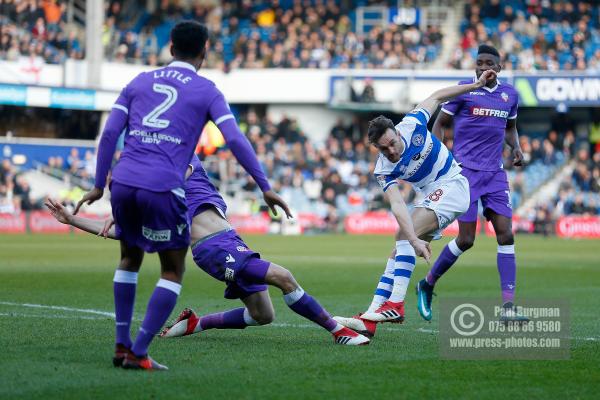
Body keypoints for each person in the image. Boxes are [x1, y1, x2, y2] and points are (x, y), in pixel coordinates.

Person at [73, 21, 289, 370]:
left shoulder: (138, 82)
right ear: (205, 51)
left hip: (124, 180)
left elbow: (111, 132)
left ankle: (120, 344)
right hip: (163, 183)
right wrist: (265, 186)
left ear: (170, 48)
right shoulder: (207, 90)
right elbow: (234, 139)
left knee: (128, 259)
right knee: (172, 269)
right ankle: (138, 352)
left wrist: (99, 184)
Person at [45, 157, 370, 348]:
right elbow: (119, 232)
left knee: (263, 315)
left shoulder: (177, 158)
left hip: (229, 241)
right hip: (214, 248)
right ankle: (336, 330)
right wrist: (71, 218)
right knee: (283, 277)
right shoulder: (159, 205)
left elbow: (174, 173)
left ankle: (198, 323)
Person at [333, 69, 497, 338]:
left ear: (397, 132)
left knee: (403, 233)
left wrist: (476, 85)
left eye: (391, 144)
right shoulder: (383, 168)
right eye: (383, 149)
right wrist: (414, 239)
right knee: (397, 252)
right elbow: (397, 206)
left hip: (453, 184)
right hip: (433, 194)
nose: (391, 151)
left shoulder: (412, 123)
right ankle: (370, 318)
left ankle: (396, 304)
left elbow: (437, 96)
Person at [415, 44, 526, 322]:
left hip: (495, 174)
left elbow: (510, 128)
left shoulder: (509, 94)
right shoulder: (464, 90)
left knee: (506, 234)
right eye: (478, 63)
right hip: (464, 174)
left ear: (498, 68)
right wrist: (439, 159)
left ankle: (509, 308)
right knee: (466, 240)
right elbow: (439, 124)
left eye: (488, 62)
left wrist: (517, 148)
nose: (482, 67)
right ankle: (427, 282)